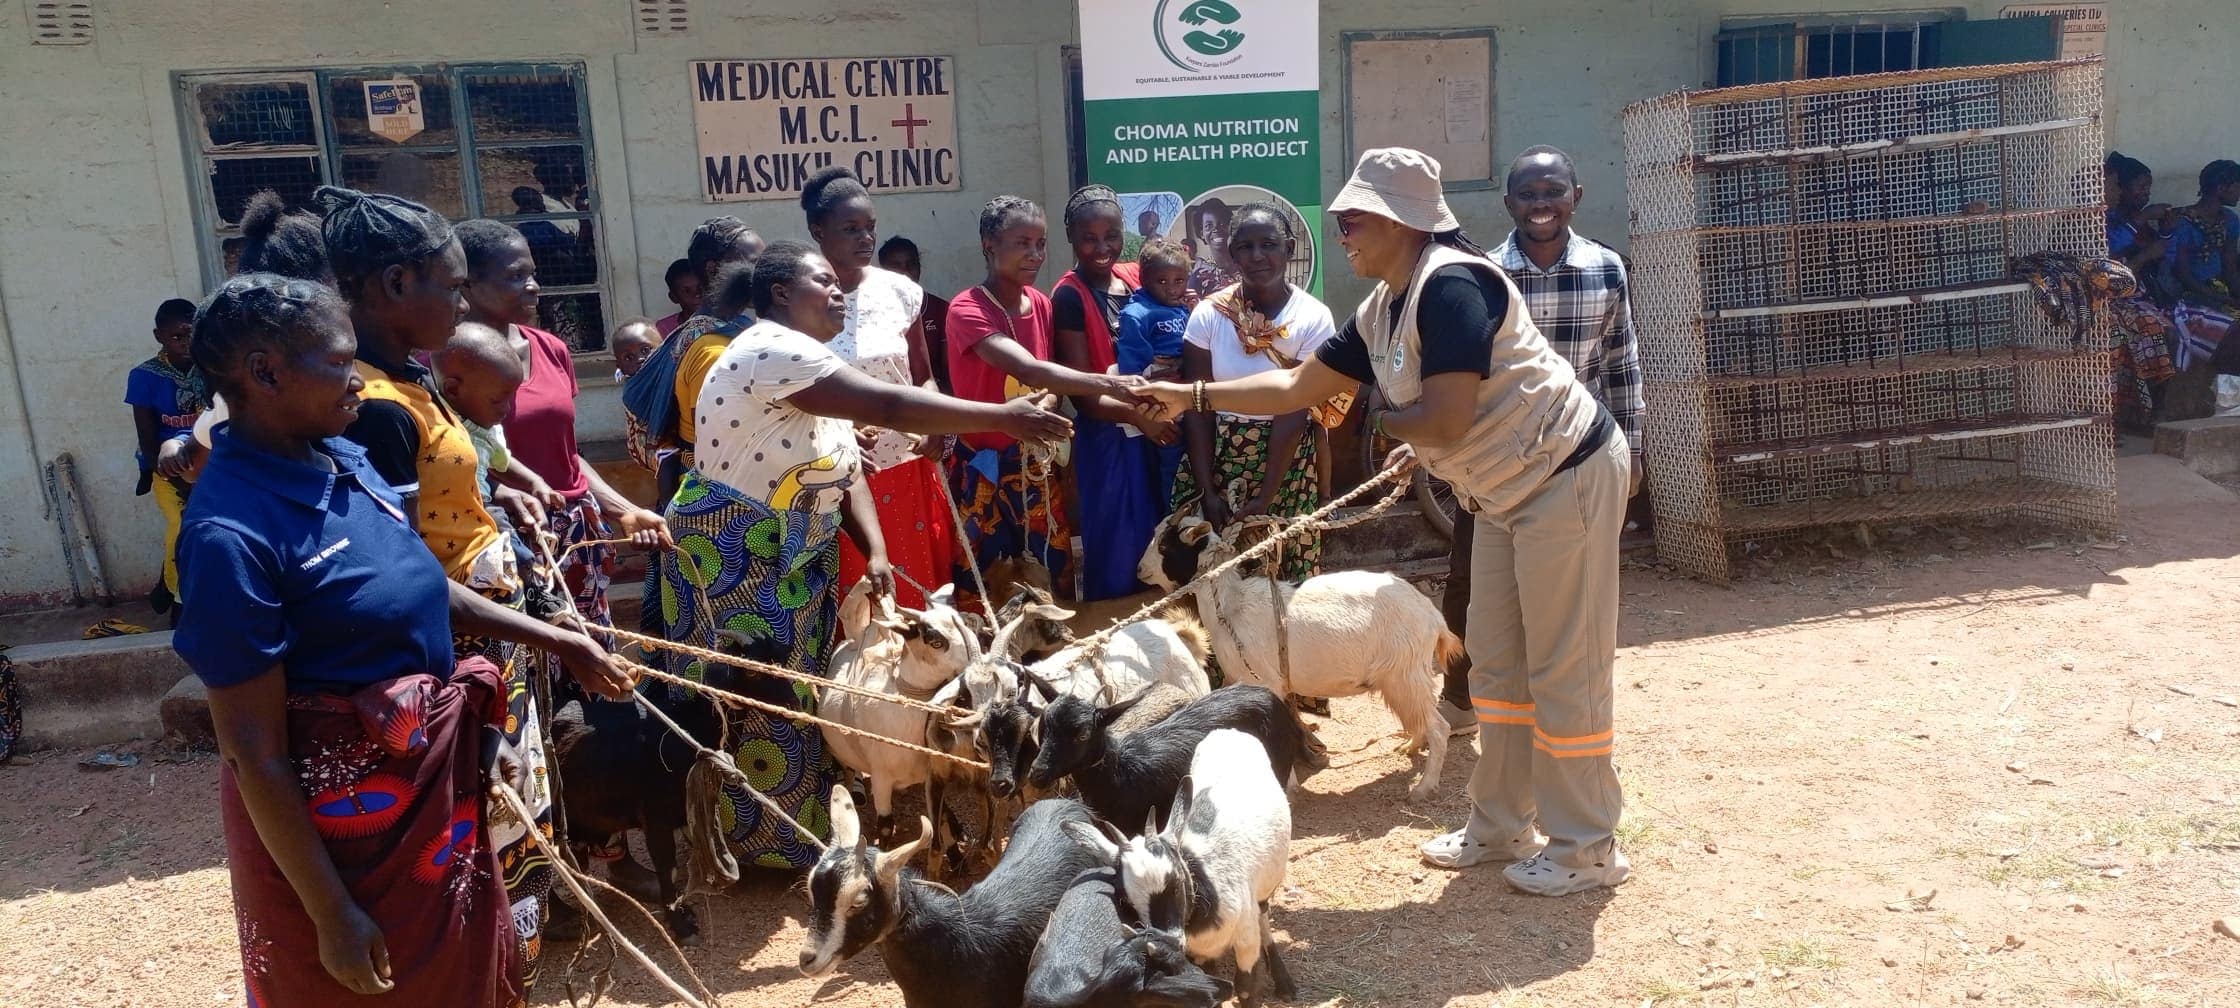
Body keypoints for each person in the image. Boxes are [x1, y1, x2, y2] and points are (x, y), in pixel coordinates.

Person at [1142, 148, 1630, 897]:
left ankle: (1587, 844)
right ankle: (1501, 822)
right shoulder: (1383, 306)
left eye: (1352, 220)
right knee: (1495, 663)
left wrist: (1380, 414)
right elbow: (1299, 384)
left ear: (1403, 221)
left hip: (1564, 476)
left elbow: (1446, 414)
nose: (1340, 235)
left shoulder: (1452, 288)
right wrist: (1192, 399)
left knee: (1563, 667)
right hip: (1501, 492)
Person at [173, 272, 633, 1007]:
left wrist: (560, 640)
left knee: (455, 973)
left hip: (430, 804)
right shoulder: (231, 535)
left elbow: (420, 583)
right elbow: (252, 750)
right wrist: (332, 913)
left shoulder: (341, 460)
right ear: (265, 372)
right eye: (338, 362)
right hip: (348, 839)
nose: (358, 381)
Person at [662, 244, 1068, 865]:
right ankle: (742, 843)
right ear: (779, 295)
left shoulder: (812, 363)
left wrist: (875, 549)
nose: (838, 293)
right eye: (822, 281)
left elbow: (846, 465)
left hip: (795, 550)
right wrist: (1000, 417)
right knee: (750, 691)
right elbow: (887, 405)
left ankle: (792, 837)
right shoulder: (772, 349)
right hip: (736, 549)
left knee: (798, 693)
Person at [1423, 146, 1648, 729]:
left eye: (1553, 192)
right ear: (1509, 204)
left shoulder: (1607, 270)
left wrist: (1636, 446)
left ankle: (1566, 710)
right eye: (1528, 194)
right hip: (1496, 460)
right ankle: (1462, 698)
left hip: (1579, 459)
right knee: (1470, 581)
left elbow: (1622, 364)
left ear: (1577, 196)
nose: (1541, 204)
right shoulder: (1482, 277)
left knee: (1573, 592)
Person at [455, 219, 671, 647]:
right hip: (508, 534)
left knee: (592, 667)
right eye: (516, 276)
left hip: (575, 534)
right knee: (532, 673)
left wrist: (622, 510)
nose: (533, 286)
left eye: (532, 273)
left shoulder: (550, 349)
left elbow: (567, 454)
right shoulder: (445, 365)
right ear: (468, 284)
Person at [946, 195, 1148, 605]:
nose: (1035, 254)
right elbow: (1029, 370)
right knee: (982, 580)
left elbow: (1051, 374)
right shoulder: (967, 308)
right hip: (982, 469)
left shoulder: (1039, 304)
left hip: (1035, 465)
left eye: (1041, 244)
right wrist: (1110, 384)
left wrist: (1054, 400)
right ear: (989, 243)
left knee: (1052, 571)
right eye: (1022, 243)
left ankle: (1052, 664)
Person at [800, 167, 954, 609]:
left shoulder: (900, 291)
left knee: (918, 594)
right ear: (817, 231)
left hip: (906, 465)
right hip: (835, 479)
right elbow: (793, 391)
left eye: (870, 228)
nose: (865, 239)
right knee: (858, 601)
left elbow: (922, 373)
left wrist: (936, 423)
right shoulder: (802, 301)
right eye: (850, 229)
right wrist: (840, 436)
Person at [1173, 205, 1340, 583]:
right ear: (1232, 254)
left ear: (1290, 248)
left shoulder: (1313, 318)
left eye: (1269, 244)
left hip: (1287, 464)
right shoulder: (1208, 315)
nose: (1258, 256)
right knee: (1215, 584)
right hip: (1218, 456)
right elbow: (1198, 405)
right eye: (1245, 247)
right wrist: (1206, 489)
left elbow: (1294, 406)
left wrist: (1266, 497)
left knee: (1285, 581)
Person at [1051, 185, 1179, 601]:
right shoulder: (1069, 295)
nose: (1102, 247)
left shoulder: (1134, 278)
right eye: (1089, 237)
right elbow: (1082, 392)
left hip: (1155, 433)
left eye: (1112, 235)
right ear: (1070, 235)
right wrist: (1138, 417)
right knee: (1120, 547)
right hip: (1110, 438)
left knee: (1163, 541)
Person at [126, 297, 207, 617]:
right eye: (177, 336)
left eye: (191, 334)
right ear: (159, 336)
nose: (185, 342)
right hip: (166, 466)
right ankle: (178, 598)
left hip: (207, 461)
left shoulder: (211, 369)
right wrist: (169, 477)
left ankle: (166, 582)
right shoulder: (145, 376)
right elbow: (146, 438)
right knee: (181, 524)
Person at [2103, 153, 2180, 428]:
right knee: (2128, 333)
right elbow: (2107, 253)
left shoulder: (2140, 224)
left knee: (2166, 332)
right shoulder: (2104, 219)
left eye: (2148, 187)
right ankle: (2122, 419)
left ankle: (2155, 414)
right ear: (2119, 187)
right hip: (2109, 297)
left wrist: (2167, 234)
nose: (2146, 193)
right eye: (2140, 187)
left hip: (2139, 297)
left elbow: (2164, 262)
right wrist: (2142, 219)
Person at [880, 236, 951, 394]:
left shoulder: (940, 309)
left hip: (933, 393)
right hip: (890, 395)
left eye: (911, 264)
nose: (906, 271)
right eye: (896, 265)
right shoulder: (875, 311)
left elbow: (948, 370)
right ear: (883, 269)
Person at [1186, 198, 1236, 294]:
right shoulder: (1198, 278)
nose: (1216, 229)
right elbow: (1191, 307)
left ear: (1230, 228)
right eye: (1209, 226)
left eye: (1221, 224)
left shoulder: (1245, 267)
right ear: (1201, 234)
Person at [655, 258, 701, 338]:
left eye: (700, 287)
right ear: (673, 297)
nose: (697, 295)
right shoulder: (664, 329)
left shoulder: (722, 322)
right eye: (687, 291)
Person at [611, 317, 661, 382]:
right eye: (629, 357)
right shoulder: (632, 390)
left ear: (662, 347)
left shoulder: (674, 375)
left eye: (645, 350)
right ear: (620, 366)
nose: (640, 359)